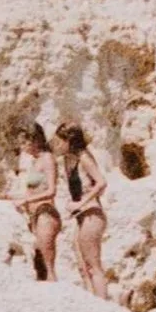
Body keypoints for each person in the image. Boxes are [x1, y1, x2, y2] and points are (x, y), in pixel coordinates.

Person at [55, 124, 110, 301]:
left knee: (93, 265)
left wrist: (81, 203)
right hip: (81, 215)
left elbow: (101, 182)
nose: (57, 144)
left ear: (69, 140)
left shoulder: (84, 158)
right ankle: (91, 302)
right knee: (82, 266)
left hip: (91, 212)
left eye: (60, 140)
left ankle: (102, 305)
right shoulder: (68, 159)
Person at [13, 125, 61, 283]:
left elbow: (52, 190)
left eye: (24, 142)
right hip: (35, 215)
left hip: (45, 212)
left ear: (33, 140)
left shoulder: (47, 158)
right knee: (41, 266)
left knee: (48, 267)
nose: (22, 146)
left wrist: (27, 200)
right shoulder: (35, 161)